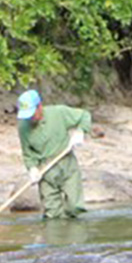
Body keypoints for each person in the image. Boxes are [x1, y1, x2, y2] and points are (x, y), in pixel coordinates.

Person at [16, 89, 91, 219]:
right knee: (52, 215)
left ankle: (73, 237)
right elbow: (28, 154)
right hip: (45, 172)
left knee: (74, 207)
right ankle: (54, 237)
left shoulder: (58, 113)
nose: (30, 119)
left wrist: (80, 131)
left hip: (66, 164)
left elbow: (84, 116)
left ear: (39, 106)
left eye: (32, 114)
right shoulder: (23, 127)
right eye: (26, 116)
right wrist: (32, 169)